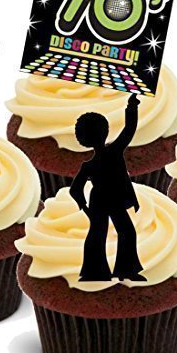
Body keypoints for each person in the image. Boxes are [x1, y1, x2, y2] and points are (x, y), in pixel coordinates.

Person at [70, 94, 146, 282]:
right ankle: (116, 271)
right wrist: (132, 107)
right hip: (108, 199)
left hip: (102, 199)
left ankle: (98, 272)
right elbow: (129, 130)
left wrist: (85, 208)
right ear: (104, 131)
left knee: (105, 232)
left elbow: (75, 189)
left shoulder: (89, 164)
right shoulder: (114, 151)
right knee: (116, 232)